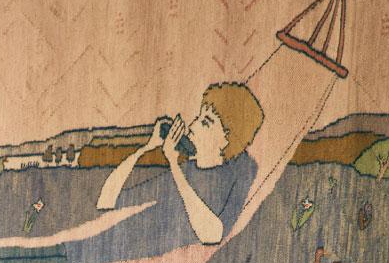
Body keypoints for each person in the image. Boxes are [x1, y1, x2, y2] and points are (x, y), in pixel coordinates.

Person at [97, 81, 265, 246]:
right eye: (198, 117)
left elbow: (213, 235)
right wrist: (147, 147)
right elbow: (107, 200)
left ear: (226, 139)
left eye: (205, 122)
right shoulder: (184, 171)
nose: (193, 125)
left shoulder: (236, 176)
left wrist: (174, 164)